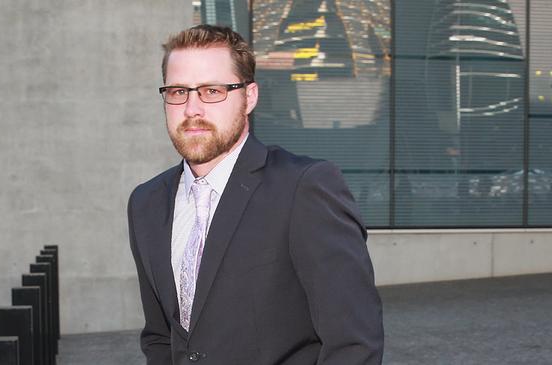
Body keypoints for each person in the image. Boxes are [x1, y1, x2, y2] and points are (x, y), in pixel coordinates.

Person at [128, 24, 384, 365]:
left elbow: (354, 344)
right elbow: (160, 337)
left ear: (249, 97)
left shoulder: (303, 189)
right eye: (178, 92)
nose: (192, 109)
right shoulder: (146, 203)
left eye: (212, 91)